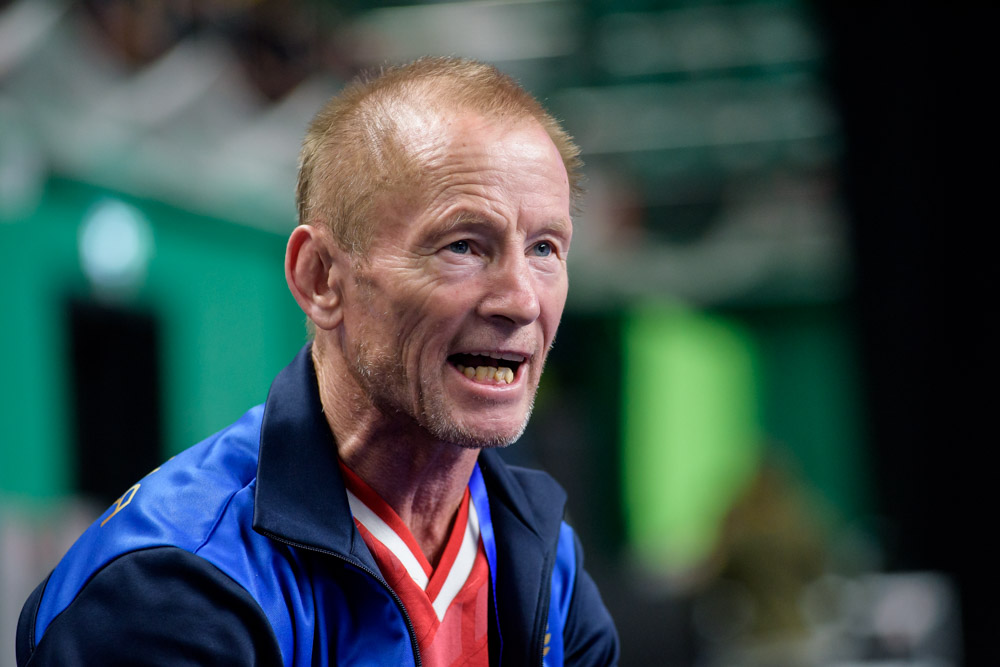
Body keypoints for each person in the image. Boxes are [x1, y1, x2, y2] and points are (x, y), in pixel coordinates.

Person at [16, 57, 619, 666]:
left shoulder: (543, 558)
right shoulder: (174, 585)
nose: (521, 300)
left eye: (545, 249)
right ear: (321, 277)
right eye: (462, 245)